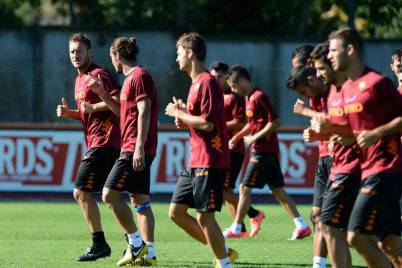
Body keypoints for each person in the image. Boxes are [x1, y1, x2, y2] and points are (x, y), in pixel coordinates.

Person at [313, 27, 402, 267]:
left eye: (333, 50)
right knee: (390, 244)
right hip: (367, 171)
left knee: (356, 236)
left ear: (350, 50)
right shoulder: (344, 90)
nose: (329, 56)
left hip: (386, 168)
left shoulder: (377, 84)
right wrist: (330, 130)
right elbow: (354, 134)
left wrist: (378, 133)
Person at [165, 32, 237, 268]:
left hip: (210, 160)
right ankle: (223, 251)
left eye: (178, 54)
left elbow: (208, 124)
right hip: (195, 159)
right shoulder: (196, 84)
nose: (176, 59)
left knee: (204, 217)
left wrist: (180, 114)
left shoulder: (207, 82)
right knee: (176, 212)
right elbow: (200, 120)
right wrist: (185, 117)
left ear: (190, 53)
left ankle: (223, 262)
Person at [88, 36, 158, 266]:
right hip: (133, 147)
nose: (112, 63)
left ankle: (136, 243)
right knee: (140, 201)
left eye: (112, 57)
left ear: (117, 55)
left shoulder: (139, 76)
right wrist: (103, 94)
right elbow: (124, 113)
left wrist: (138, 146)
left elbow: (144, 110)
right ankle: (150, 254)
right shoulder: (129, 80)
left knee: (109, 195)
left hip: (133, 148)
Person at [224, 65, 311, 241]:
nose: (233, 90)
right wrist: (239, 137)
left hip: (264, 150)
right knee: (277, 190)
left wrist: (254, 137)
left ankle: (237, 227)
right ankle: (301, 225)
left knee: (245, 187)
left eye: (234, 86)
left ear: (242, 81)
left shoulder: (259, 97)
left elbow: (275, 122)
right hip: (265, 150)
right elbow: (253, 123)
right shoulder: (249, 98)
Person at [56, 33, 121, 262]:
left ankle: (99, 244)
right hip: (98, 143)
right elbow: (88, 112)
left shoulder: (99, 74)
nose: (75, 55)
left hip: (106, 142)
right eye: (72, 51)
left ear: (90, 53)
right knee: (112, 196)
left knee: (81, 191)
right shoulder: (79, 80)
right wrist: (70, 114)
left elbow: (119, 105)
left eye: (79, 51)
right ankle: (135, 243)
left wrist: (93, 105)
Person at [210, 61, 265, 238]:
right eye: (214, 77)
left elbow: (240, 122)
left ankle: (254, 214)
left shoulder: (236, 97)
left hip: (234, 150)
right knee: (226, 191)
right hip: (222, 149)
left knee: (223, 190)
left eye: (219, 77)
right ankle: (238, 227)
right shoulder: (217, 95)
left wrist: (215, 126)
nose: (216, 80)